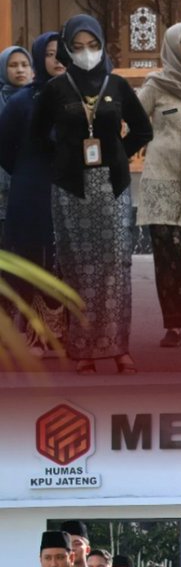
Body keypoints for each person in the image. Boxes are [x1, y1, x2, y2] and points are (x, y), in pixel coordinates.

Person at [31, 15, 152, 374]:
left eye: (93, 46)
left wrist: (118, 153)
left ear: (102, 46)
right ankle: (83, 349)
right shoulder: (55, 90)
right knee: (79, 269)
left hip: (112, 187)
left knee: (115, 266)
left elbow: (143, 129)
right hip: (71, 190)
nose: (87, 53)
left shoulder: (117, 85)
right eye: (79, 47)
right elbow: (38, 137)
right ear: (67, 48)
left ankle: (118, 349)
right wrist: (63, 159)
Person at [137, 22, 181, 349]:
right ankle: (175, 325)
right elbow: (133, 118)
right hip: (163, 180)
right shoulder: (157, 85)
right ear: (172, 47)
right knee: (169, 255)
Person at [0, 33, 65, 351]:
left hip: (71, 191)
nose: (58, 59)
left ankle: (63, 330)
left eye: (63, 53)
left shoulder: (82, 95)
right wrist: (27, 174)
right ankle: (33, 331)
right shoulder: (21, 101)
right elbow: (5, 149)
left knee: (64, 260)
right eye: (51, 54)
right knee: (32, 257)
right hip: (31, 189)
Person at [0, 45, 34, 242]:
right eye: (13, 65)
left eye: (24, 64)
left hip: (29, 183)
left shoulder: (41, 99)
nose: (20, 70)